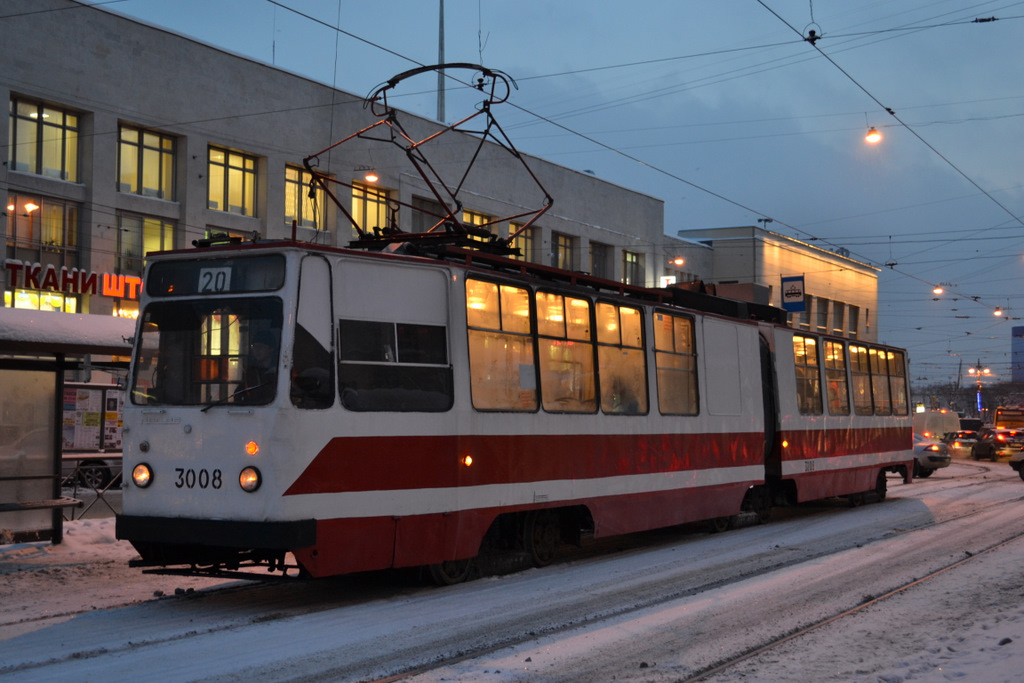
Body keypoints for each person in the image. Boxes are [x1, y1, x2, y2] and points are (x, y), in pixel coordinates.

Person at [240, 331, 279, 403]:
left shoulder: (281, 371)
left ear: (271, 349)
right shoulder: (252, 371)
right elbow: (241, 392)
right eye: (254, 347)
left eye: (261, 346)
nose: (256, 350)